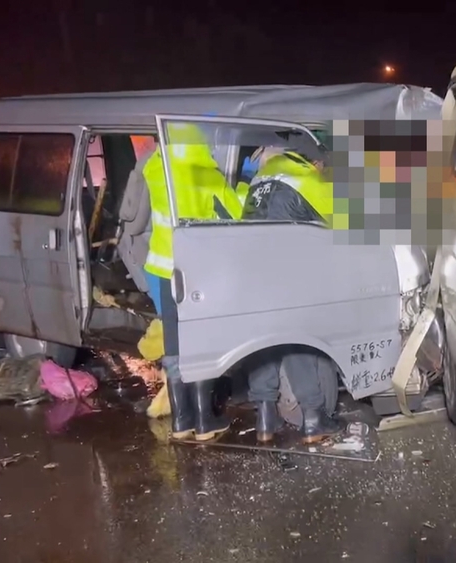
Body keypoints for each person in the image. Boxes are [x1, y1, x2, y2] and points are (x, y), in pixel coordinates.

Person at [144, 123, 243, 442]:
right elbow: (236, 213)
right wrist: (243, 187)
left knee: (174, 347)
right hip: (196, 270)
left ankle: (181, 419)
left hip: (163, 270)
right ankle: (204, 421)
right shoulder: (206, 175)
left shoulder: (156, 169)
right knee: (200, 344)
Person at [241, 142, 344, 443]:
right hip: (290, 273)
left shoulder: (259, 180)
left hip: (252, 272)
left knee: (264, 344)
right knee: (298, 342)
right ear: (315, 163)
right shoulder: (307, 178)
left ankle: (265, 418)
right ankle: (313, 418)